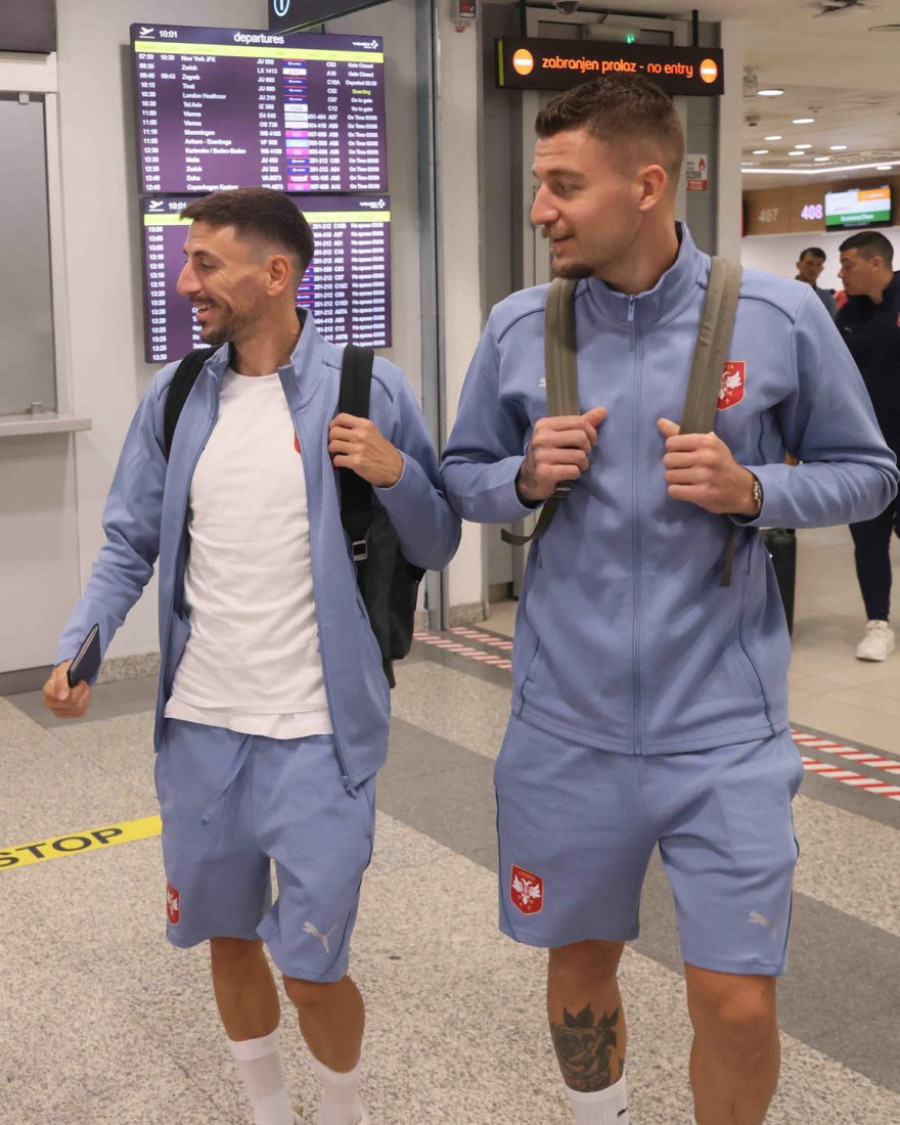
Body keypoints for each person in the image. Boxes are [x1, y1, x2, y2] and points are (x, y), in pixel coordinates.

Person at [441, 76, 897, 1125]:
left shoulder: (780, 315)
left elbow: (871, 474)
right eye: (540, 184)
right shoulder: (518, 327)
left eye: (564, 185)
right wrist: (521, 477)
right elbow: (460, 475)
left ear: (648, 186)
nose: (540, 208)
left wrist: (756, 490)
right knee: (578, 975)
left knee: (737, 1004)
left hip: (724, 734)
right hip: (565, 730)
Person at [44, 188, 460, 1125]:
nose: (184, 282)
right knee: (226, 938)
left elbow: (437, 541)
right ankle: (268, 1109)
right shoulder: (180, 393)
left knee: (312, 970)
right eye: (186, 260)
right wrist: (82, 646)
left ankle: (343, 1109)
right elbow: (128, 541)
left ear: (276, 274)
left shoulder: (370, 388)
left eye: (205, 263)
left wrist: (394, 472)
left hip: (320, 735)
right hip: (200, 728)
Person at [837, 229, 900, 660]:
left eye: (847, 265)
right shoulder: (846, 316)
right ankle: (877, 623)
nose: (841, 274)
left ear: (875, 264)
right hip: (867, 451)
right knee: (869, 539)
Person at [795, 246, 838, 318]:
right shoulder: (785, 293)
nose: (813, 269)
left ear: (821, 269)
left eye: (818, 265)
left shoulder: (827, 299)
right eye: (809, 263)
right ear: (798, 265)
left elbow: (833, 323)